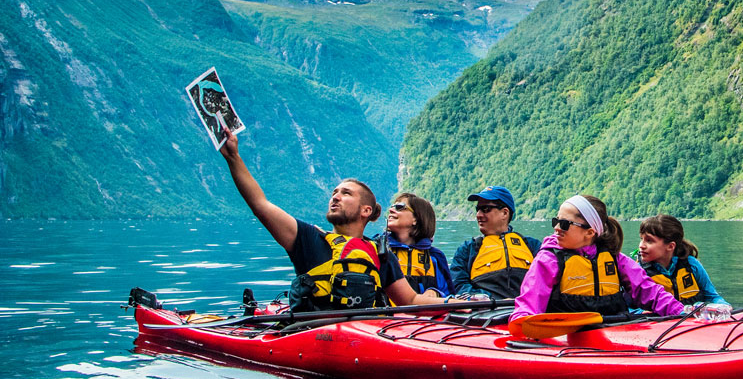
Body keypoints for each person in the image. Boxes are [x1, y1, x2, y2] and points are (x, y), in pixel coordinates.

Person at [218, 127, 417, 311]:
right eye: (334, 192)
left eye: (346, 193)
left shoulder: (382, 255)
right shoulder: (309, 239)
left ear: (366, 210)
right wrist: (233, 157)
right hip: (315, 333)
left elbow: (410, 301)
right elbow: (260, 205)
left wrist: (448, 301)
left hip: (366, 335)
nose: (335, 196)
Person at [510, 194, 685, 321]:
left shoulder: (615, 259)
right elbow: (529, 302)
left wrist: (681, 311)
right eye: (556, 221)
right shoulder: (548, 260)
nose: (557, 228)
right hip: (567, 338)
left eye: (564, 223)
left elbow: (647, 290)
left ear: (590, 232)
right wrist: (523, 320)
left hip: (614, 331)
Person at [449, 186, 541, 299]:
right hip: (486, 310)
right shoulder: (468, 249)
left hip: (525, 309)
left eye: (486, 209)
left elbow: (546, 280)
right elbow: (458, 284)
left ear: (504, 213)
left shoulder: (532, 246)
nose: (478, 215)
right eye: (477, 209)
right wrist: (479, 297)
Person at [636, 215, 728, 306]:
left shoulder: (692, 264)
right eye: (641, 239)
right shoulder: (638, 271)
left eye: (649, 241)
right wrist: (641, 312)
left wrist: (723, 305)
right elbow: (629, 308)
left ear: (671, 246)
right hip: (656, 320)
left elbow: (712, 297)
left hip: (692, 319)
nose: (641, 245)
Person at [379, 192, 453, 304]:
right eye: (392, 206)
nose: (391, 210)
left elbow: (449, 293)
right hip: (384, 318)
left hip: (423, 318)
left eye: (400, 207)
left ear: (416, 219)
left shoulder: (435, 257)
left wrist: (435, 292)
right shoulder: (378, 249)